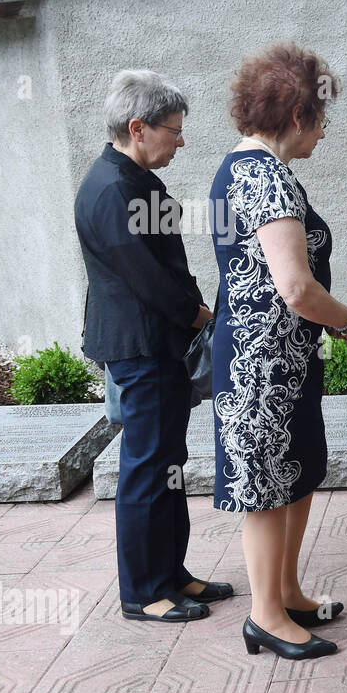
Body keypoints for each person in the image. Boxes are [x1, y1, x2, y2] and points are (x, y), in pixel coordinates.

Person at [210, 43, 347, 660]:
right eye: (324, 119)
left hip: (278, 360)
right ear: (299, 115)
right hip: (261, 367)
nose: (325, 133)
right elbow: (299, 289)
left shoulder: (243, 168)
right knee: (267, 488)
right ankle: (265, 618)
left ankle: (286, 593)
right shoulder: (265, 176)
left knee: (296, 475)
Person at [75, 70, 230, 623]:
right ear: (138, 128)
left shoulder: (139, 179)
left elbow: (170, 262)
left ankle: (174, 574)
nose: (181, 141)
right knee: (146, 466)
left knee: (170, 461)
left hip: (160, 345)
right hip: (141, 347)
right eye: (174, 130)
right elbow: (147, 278)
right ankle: (142, 592)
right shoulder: (113, 187)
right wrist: (198, 314)